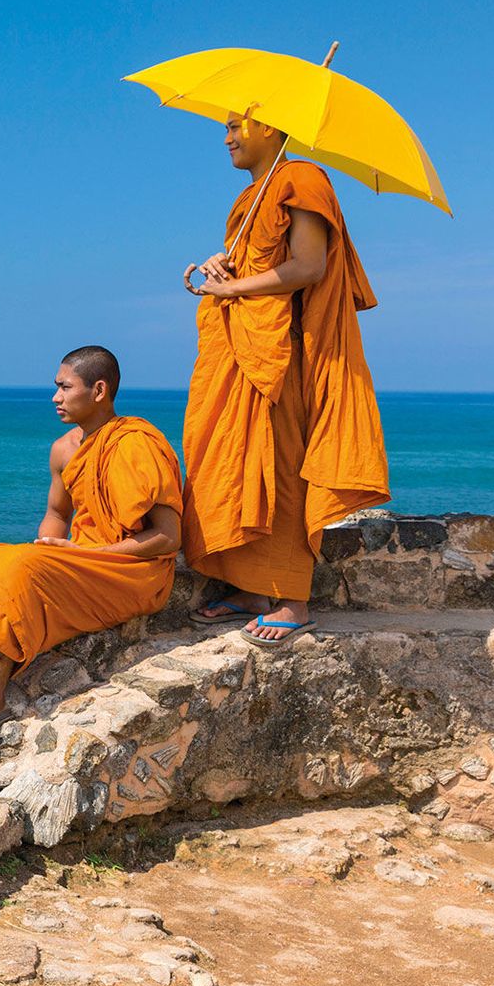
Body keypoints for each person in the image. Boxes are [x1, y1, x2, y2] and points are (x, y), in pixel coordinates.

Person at [0, 346, 183, 741]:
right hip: (81, 562)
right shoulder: (64, 449)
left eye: (65, 387)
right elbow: (58, 515)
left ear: (98, 390)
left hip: (132, 572)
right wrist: (49, 545)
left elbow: (168, 538)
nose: (55, 397)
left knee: (23, 567)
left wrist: (85, 555)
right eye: (56, 387)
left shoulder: (138, 443)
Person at [184, 112, 389, 648]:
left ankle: (292, 600)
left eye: (236, 126)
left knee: (281, 468)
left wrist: (232, 291)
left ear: (272, 129)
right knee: (233, 463)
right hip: (241, 352)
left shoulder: (302, 179)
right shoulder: (251, 197)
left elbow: (308, 267)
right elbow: (260, 266)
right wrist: (222, 267)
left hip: (282, 355)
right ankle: (253, 588)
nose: (226, 137)